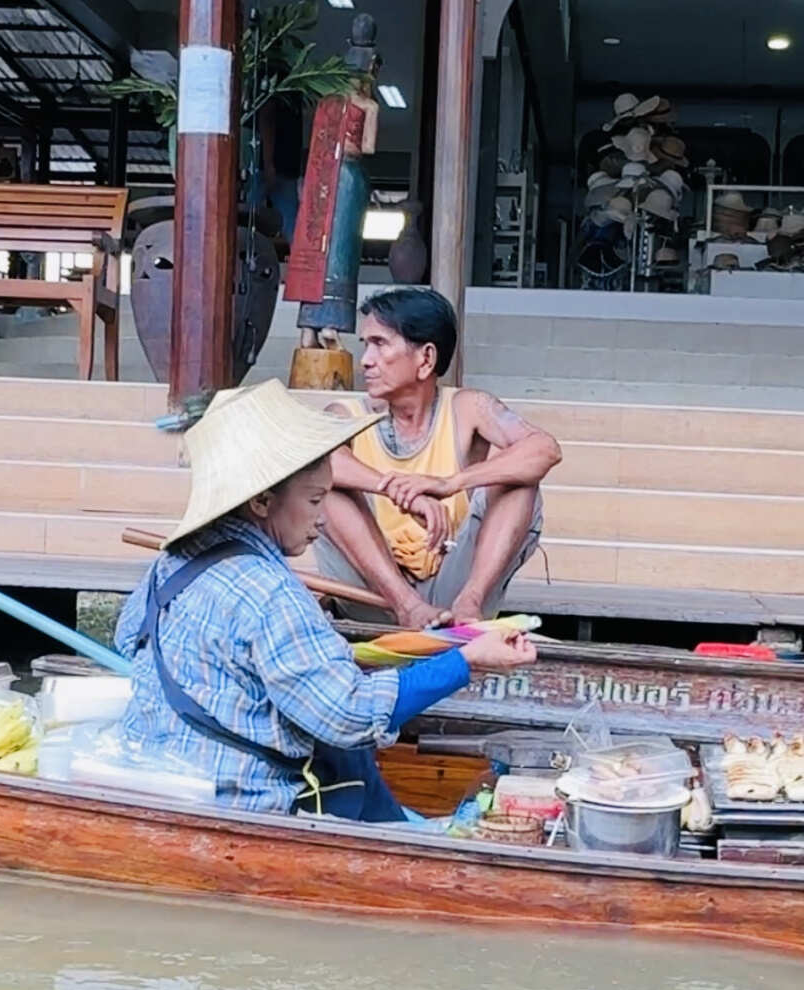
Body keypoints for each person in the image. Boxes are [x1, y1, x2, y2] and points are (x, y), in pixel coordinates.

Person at [114, 379, 536, 822]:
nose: (322, 519)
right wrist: (467, 660)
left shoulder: (171, 563)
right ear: (261, 500)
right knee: (346, 750)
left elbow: (128, 640)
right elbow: (348, 714)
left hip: (161, 778)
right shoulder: (270, 591)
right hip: (243, 803)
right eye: (315, 499)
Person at [314, 287, 562, 630]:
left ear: (426, 359)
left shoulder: (469, 407)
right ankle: (409, 606)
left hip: (453, 594)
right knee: (322, 483)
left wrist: (450, 484)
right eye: (364, 345)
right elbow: (316, 461)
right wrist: (400, 492)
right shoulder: (346, 414)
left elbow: (544, 449)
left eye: (380, 344)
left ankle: (471, 603)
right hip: (378, 597)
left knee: (520, 480)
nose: (366, 360)